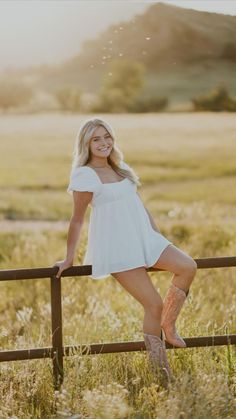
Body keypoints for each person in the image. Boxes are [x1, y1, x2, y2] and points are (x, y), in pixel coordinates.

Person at [53, 117, 197, 386]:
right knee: (152, 304)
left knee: (188, 266)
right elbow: (76, 219)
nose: (103, 142)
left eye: (107, 136)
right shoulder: (85, 175)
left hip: (146, 239)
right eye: (96, 139)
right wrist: (70, 257)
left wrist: (157, 237)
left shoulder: (122, 169)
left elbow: (140, 206)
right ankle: (160, 375)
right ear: (86, 143)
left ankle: (169, 324)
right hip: (119, 246)